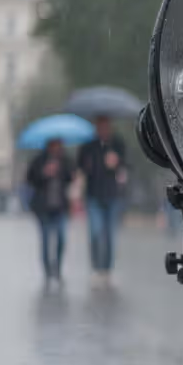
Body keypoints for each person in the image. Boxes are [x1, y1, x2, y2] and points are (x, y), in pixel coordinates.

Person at [76, 114, 128, 284]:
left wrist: (117, 163)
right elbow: (79, 168)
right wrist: (86, 168)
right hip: (93, 196)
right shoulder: (88, 147)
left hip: (112, 196)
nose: (104, 129)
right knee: (96, 232)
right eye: (100, 126)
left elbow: (126, 167)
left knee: (110, 235)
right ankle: (96, 268)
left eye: (106, 125)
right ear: (96, 127)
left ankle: (107, 269)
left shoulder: (118, 144)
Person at [25, 137, 75, 285]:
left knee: (61, 238)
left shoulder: (65, 160)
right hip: (43, 208)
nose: (56, 147)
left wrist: (64, 171)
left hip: (60, 207)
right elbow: (30, 179)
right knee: (46, 240)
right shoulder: (39, 160)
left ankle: (57, 267)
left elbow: (70, 178)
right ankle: (47, 270)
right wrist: (45, 173)